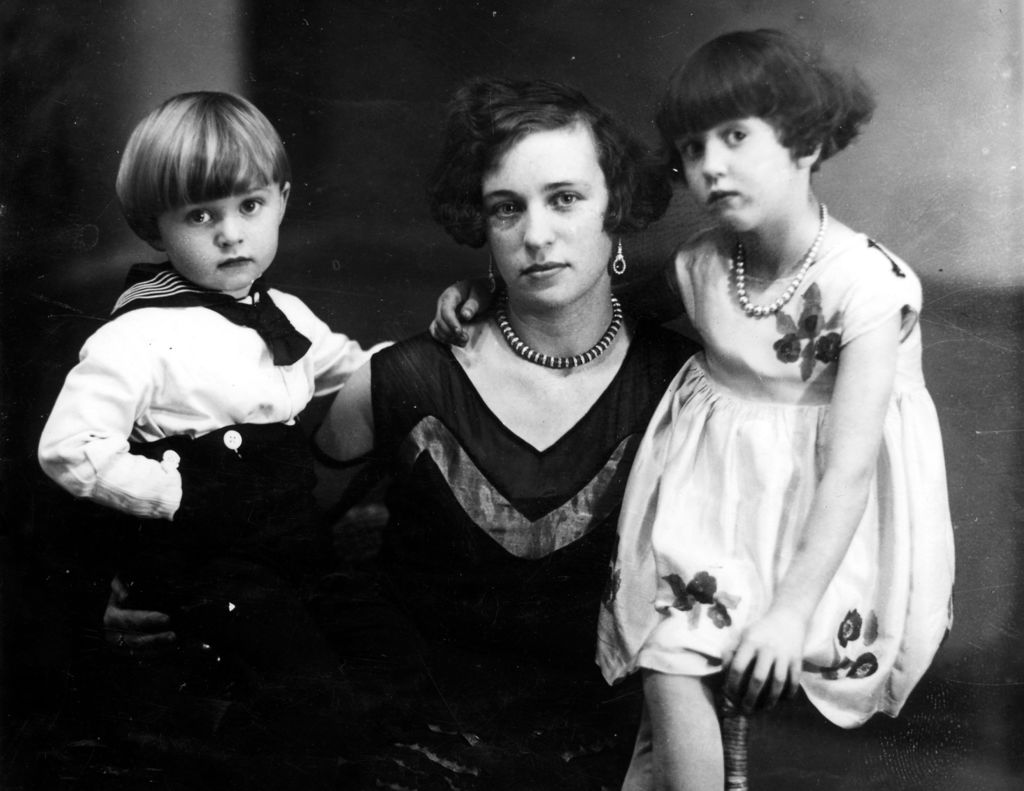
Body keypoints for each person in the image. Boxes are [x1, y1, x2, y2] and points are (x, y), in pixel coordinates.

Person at [434, 29, 955, 791]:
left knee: (745, 661)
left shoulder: (869, 287)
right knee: (668, 658)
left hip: (829, 525)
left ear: (807, 141)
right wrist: (488, 293)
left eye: (735, 137)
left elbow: (848, 468)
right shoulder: (704, 263)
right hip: (713, 505)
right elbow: (593, 301)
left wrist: (790, 612)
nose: (710, 165)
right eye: (691, 147)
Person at [311, 77, 699, 789]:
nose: (536, 235)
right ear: (482, 226)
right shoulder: (402, 382)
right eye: (506, 207)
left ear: (617, 207)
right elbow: (271, 535)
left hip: (617, 767)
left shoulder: (680, 387)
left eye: (565, 198)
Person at [37, 91, 387, 786]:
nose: (231, 234)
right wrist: (171, 492)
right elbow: (70, 446)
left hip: (290, 544)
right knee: (307, 695)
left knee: (376, 643)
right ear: (155, 228)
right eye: (201, 216)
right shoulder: (138, 335)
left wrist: (438, 351)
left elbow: (359, 370)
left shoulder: (284, 313)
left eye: (249, 206)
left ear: (281, 202)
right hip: (208, 560)